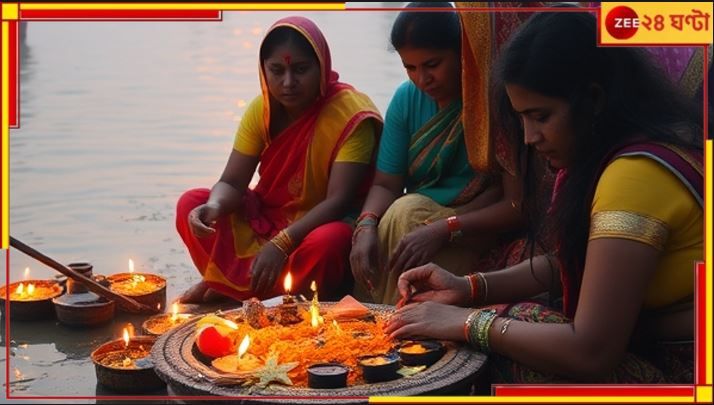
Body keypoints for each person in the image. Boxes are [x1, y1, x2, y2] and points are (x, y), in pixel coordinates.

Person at [385, 9, 703, 384]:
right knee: (514, 320)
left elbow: (591, 352)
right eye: (521, 118)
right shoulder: (618, 150)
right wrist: (466, 287)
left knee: (492, 352)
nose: (529, 137)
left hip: (689, 369)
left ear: (595, 99)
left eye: (540, 116)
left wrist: (467, 322)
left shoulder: (635, 176)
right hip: (653, 339)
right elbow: (566, 265)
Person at [176, 16, 382, 303]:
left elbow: (339, 201)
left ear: (321, 67)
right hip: (268, 219)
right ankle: (232, 288)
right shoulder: (261, 111)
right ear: (264, 70)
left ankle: (232, 290)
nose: (288, 83)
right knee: (191, 203)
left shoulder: (350, 115)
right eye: (276, 70)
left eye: (300, 70)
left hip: (318, 227)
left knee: (330, 241)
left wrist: (282, 243)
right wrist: (213, 206)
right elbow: (232, 183)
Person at [350, 2, 525, 305]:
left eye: (432, 64)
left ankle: (394, 319)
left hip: (475, 228)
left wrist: (446, 229)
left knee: (407, 213)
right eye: (410, 68)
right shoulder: (406, 99)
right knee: (400, 215)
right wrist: (365, 225)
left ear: (463, 52)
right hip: (417, 227)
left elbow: (514, 205)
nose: (422, 79)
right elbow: (385, 184)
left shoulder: (491, 101)